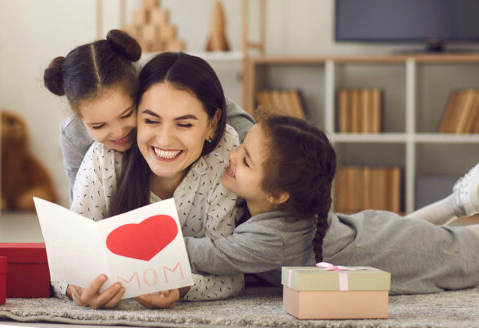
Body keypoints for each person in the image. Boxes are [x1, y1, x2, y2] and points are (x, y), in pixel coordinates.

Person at [185, 114, 479, 294]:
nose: (232, 156)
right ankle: (458, 202)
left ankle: (459, 203)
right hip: (376, 232)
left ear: (277, 194)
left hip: (391, 245)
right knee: (419, 233)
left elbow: (208, 255)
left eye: (246, 160)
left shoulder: (276, 240)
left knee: (464, 253)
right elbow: (235, 115)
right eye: (240, 147)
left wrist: (141, 236)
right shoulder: (283, 203)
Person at [54, 52, 245, 309]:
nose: (165, 140)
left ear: (212, 124)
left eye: (184, 124)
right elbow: (64, 262)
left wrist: (184, 286)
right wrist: (76, 289)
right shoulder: (105, 156)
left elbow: (230, 274)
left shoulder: (226, 151)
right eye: (151, 120)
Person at [44, 29, 254, 206]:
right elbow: (81, 202)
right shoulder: (75, 134)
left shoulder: (157, 86)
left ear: (137, 91)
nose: (118, 132)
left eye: (126, 114)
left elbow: (219, 108)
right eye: (98, 125)